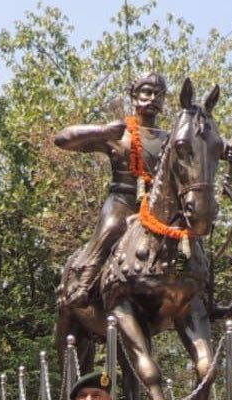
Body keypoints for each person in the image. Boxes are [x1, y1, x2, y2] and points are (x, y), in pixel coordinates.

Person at [55, 69, 169, 307]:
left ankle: (199, 296)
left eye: (158, 95)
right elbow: (62, 139)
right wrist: (102, 131)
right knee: (112, 226)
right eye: (146, 92)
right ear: (134, 96)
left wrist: (224, 150)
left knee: (188, 237)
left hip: (156, 206)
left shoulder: (168, 139)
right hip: (123, 200)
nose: (152, 99)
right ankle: (83, 283)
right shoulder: (119, 133)